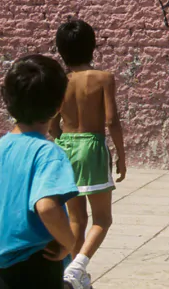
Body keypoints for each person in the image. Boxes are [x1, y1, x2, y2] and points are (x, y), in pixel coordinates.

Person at [0, 54, 79, 288]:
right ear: (57, 107)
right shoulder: (48, 154)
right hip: (36, 268)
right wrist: (68, 242)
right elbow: (46, 206)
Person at [51, 18, 127, 289]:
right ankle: (76, 269)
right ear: (93, 46)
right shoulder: (103, 78)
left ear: (61, 50)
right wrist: (121, 154)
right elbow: (112, 120)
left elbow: (52, 126)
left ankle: (74, 277)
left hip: (66, 147)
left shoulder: (60, 81)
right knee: (103, 220)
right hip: (92, 146)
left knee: (76, 219)